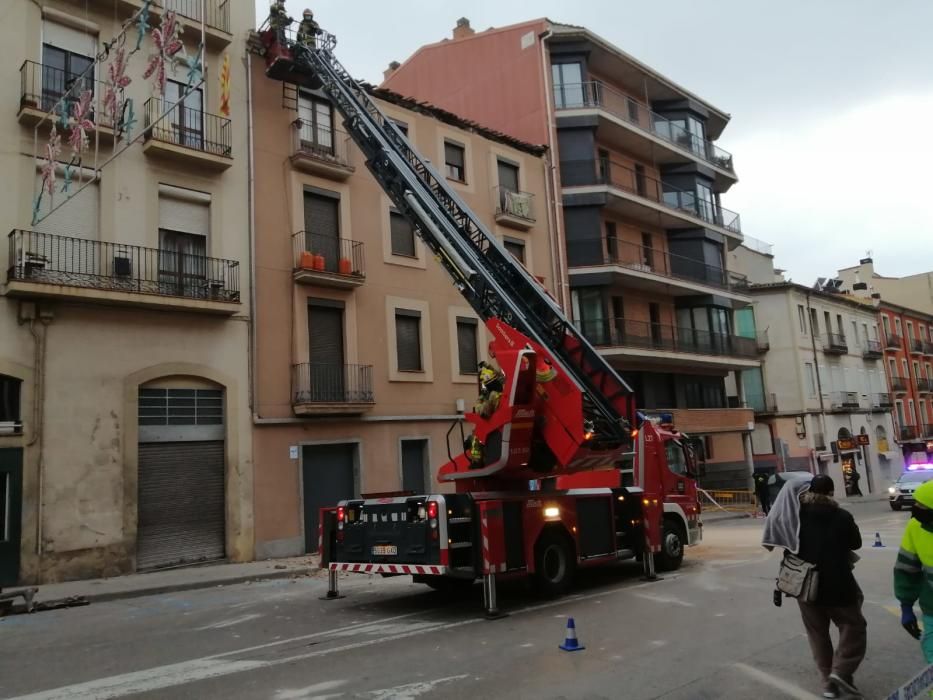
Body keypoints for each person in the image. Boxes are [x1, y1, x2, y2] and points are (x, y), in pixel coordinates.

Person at [763, 474, 865, 699]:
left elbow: (786, 544)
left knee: (817, 633)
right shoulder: (841, 516)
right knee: (853, 626)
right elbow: (855, 542)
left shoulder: (794, 517)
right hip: (838, 583)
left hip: (805, 585)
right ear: (830, 492)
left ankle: (828, 682)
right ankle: (841, 671)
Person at [893, 479, 933, 664]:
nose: (915, 508)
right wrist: (906, 606)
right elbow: (906, 568)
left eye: (921, 505)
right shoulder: (915, 526)